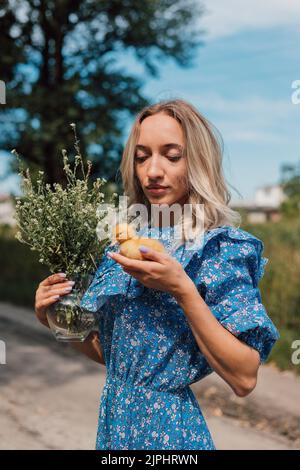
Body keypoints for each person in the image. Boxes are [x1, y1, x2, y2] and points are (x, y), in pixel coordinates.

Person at [35, 99, 280, 450]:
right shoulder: (124, 241)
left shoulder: (217, 247)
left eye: (171, 155)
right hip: (114, 429)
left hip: (169, 438)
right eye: (142, 156)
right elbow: (115, 356)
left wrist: (182, 288)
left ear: (197, 161)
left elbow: (244, 377)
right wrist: (55, 320)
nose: (152, 171)